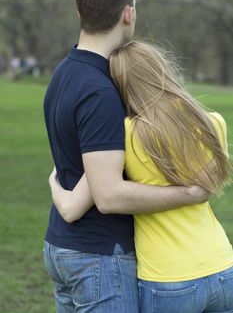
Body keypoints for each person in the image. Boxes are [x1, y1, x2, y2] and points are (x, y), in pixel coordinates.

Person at [43, 0, 210, 312]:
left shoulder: (64, 73)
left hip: (64, 247)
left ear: (80, 12)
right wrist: (189, 193)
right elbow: (108, 195)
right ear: (128, 14)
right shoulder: (100, 90)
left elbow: (83, 164)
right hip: (99, 258)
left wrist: (64, 200)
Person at [49, 41, 233, 313]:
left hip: (168, 278)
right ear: (162, 72)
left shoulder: (126, 135)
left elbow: (74, 205)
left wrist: (53, 182)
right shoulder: (213, 123)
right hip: (223, 268)